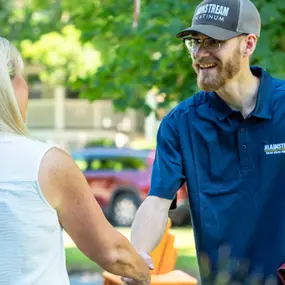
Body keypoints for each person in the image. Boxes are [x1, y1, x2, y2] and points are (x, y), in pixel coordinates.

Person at [128, 0, 285, 284]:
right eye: (195, 42)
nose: (200, 54)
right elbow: (157, 202)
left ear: (248, 44)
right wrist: (137, 253)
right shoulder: (180, 124)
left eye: (213, 42)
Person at [0, 36, 150, 285]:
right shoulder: (47, 164)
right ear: (10, 86)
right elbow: (113, 253)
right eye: (24, 78)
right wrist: (142, 274)